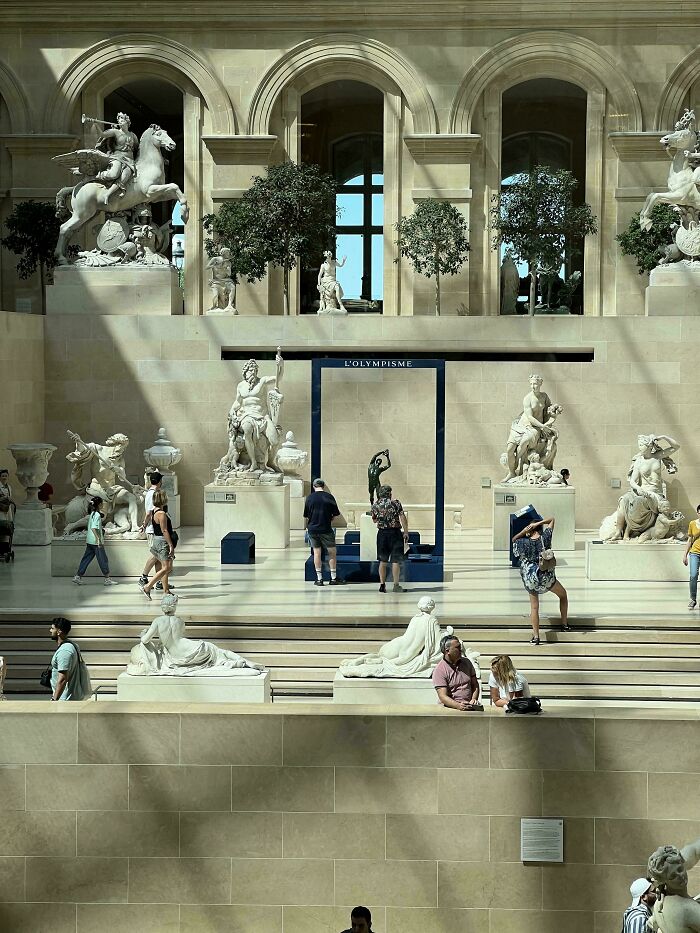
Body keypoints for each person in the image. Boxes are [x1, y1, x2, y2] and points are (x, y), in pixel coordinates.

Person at [512, 517, 569, 645]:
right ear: (539, 528)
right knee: (563, 595)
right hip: (546, 578)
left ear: (529, 530)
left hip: (531, 579)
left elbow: (514, 539)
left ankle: (536, 637)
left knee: (534, 607)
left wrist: (523, 532)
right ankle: (564, 624)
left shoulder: (523, 542)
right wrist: (539, 523)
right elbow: (552, 519)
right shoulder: (546, 538)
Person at [303, 478, 346, 586]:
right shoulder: (329, 497)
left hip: (312, 529)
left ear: (314, 486)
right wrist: (329, 518)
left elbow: (306, 515)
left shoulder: (309, 498)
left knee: (317, 552)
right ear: (324, 486)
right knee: (332, 552)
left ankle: (319, 579)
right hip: (326, 528)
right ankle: (333, 577)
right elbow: (336, 513)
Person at [370, 484, 409, 593]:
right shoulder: (396, 503)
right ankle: (396, 585)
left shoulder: (375, 505)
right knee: (395, 561)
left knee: (383, 561)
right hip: (395, 533)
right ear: (389, 493)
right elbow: (402, 517)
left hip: (382, 534)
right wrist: (406, 531)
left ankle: (382, 585)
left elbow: (374, 520)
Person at [139, 489, 176, 600]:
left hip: (156, 541)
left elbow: (147, 516)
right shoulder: (161, 514)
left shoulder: (154, 511)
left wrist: (143, 526)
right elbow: (164, 530)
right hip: (162, 542)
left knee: (160, 567)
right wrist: (170, 545)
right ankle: (147, 586)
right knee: (167, 567)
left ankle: (166, 591)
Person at [72, 496, 117, 585]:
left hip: (90, 541)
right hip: (96, 542)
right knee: (103, 559)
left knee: (86, 559)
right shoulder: (97, 515)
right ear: (99, 504)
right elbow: (94, 528)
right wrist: (99, 539)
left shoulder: (92, 514)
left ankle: (78, 576)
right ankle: (107, 579)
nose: (103, 505)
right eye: (102, 503)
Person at [432, 634, 481, 711]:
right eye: (457, 647)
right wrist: (458, 706)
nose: (460, 649)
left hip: (469, 706)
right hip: (450, 709)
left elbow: (475, 684)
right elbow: (443, 696)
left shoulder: (467, 663)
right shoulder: (439, 670)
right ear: (447, 651)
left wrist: (474, 699)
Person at [49, 617, 91, 701]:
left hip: (66, 699)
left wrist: (54, 699)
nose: (50, 630)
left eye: (52, 628)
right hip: (70, 697)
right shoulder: (72, 645)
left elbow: (63, 679)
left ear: (59, 631)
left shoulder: (65, 651)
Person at [138, 471, 167, 591]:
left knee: (159, 556)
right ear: (160, 481)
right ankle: (143, 577)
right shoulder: (153, 494)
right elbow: (149, 512)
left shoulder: (152, 492)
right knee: (156, 554)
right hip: (153, 528)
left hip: (154, 527)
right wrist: (144, 525)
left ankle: (160, 581)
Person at [683, 503, 700, 609]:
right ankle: (693, 599)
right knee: (693, 575)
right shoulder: (692, 523)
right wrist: (684, 555)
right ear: (697, 513)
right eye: (699, 513)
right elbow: (689, 540)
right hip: (694, 553)